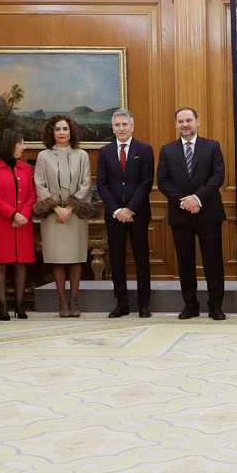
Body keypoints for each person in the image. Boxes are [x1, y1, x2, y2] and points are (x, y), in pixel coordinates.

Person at [158, 107, 226, 320]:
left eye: (188, 120)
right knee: (185, 262)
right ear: (176, 124)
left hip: (208, 212)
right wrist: (184, 201)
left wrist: (196, 199)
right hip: (181, 214)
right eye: (181, 121)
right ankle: (190, 305)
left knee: (213, 262)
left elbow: (218, 176)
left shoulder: (212, 146)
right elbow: (163, 181)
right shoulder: (167, 150)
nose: (185, 124)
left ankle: (215, 306)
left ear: (197, 122)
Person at [34, 115, 94, 318]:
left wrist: (70, 207)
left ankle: (74, 300)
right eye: (58, 129)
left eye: (65, 129)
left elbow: (86, 184)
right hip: (53, 216)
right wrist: (55, 208)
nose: (61, 132)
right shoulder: (43, 156)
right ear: (52, 132)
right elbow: (40, 184)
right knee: (57, 259)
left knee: (76, 258)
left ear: (71, 132)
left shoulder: (82, 155)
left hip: (75, 215)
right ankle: (62, 302)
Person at [97, 109, 155, 317]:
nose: (121, 128)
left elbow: (146, 182)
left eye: (124, 124)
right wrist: (116, 210)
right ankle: (121, 304)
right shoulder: (105, 152)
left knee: (141, 260)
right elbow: (102, 184)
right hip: (114, 216)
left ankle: (144, 304)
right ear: (112, 128)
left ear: (132, 126)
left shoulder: (144, 149)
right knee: (117, 260)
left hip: (138, 213)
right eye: (117, 125)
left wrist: (130, 209)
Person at [0, 128, 36, 320]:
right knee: (1, 264)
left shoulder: (26, 168)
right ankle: (3, 306)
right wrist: (13, 214)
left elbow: (31, 195)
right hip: (0, 223)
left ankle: (20, 306)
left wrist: (23, 214)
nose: (24, 147)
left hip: (22, 223)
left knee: (21, 263)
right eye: (20, 143)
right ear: (10, 144)